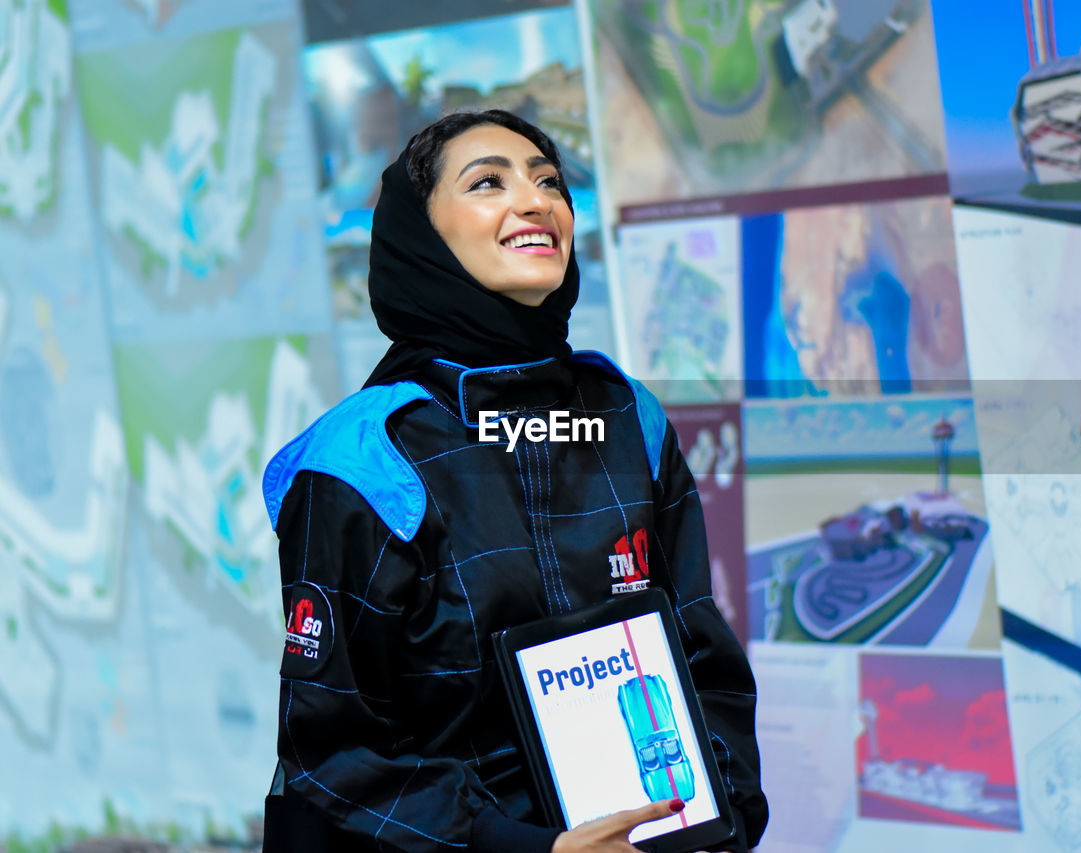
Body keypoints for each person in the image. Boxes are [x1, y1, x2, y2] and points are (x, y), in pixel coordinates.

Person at [260, 109, 768, 852]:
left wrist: (720, 818)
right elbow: (334, 752)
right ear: (421, 234)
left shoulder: (629, 416)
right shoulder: (368, 457)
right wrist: (527, 847)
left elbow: (703, 655)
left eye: (549, 181)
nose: (534, 201)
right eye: (487, 182)